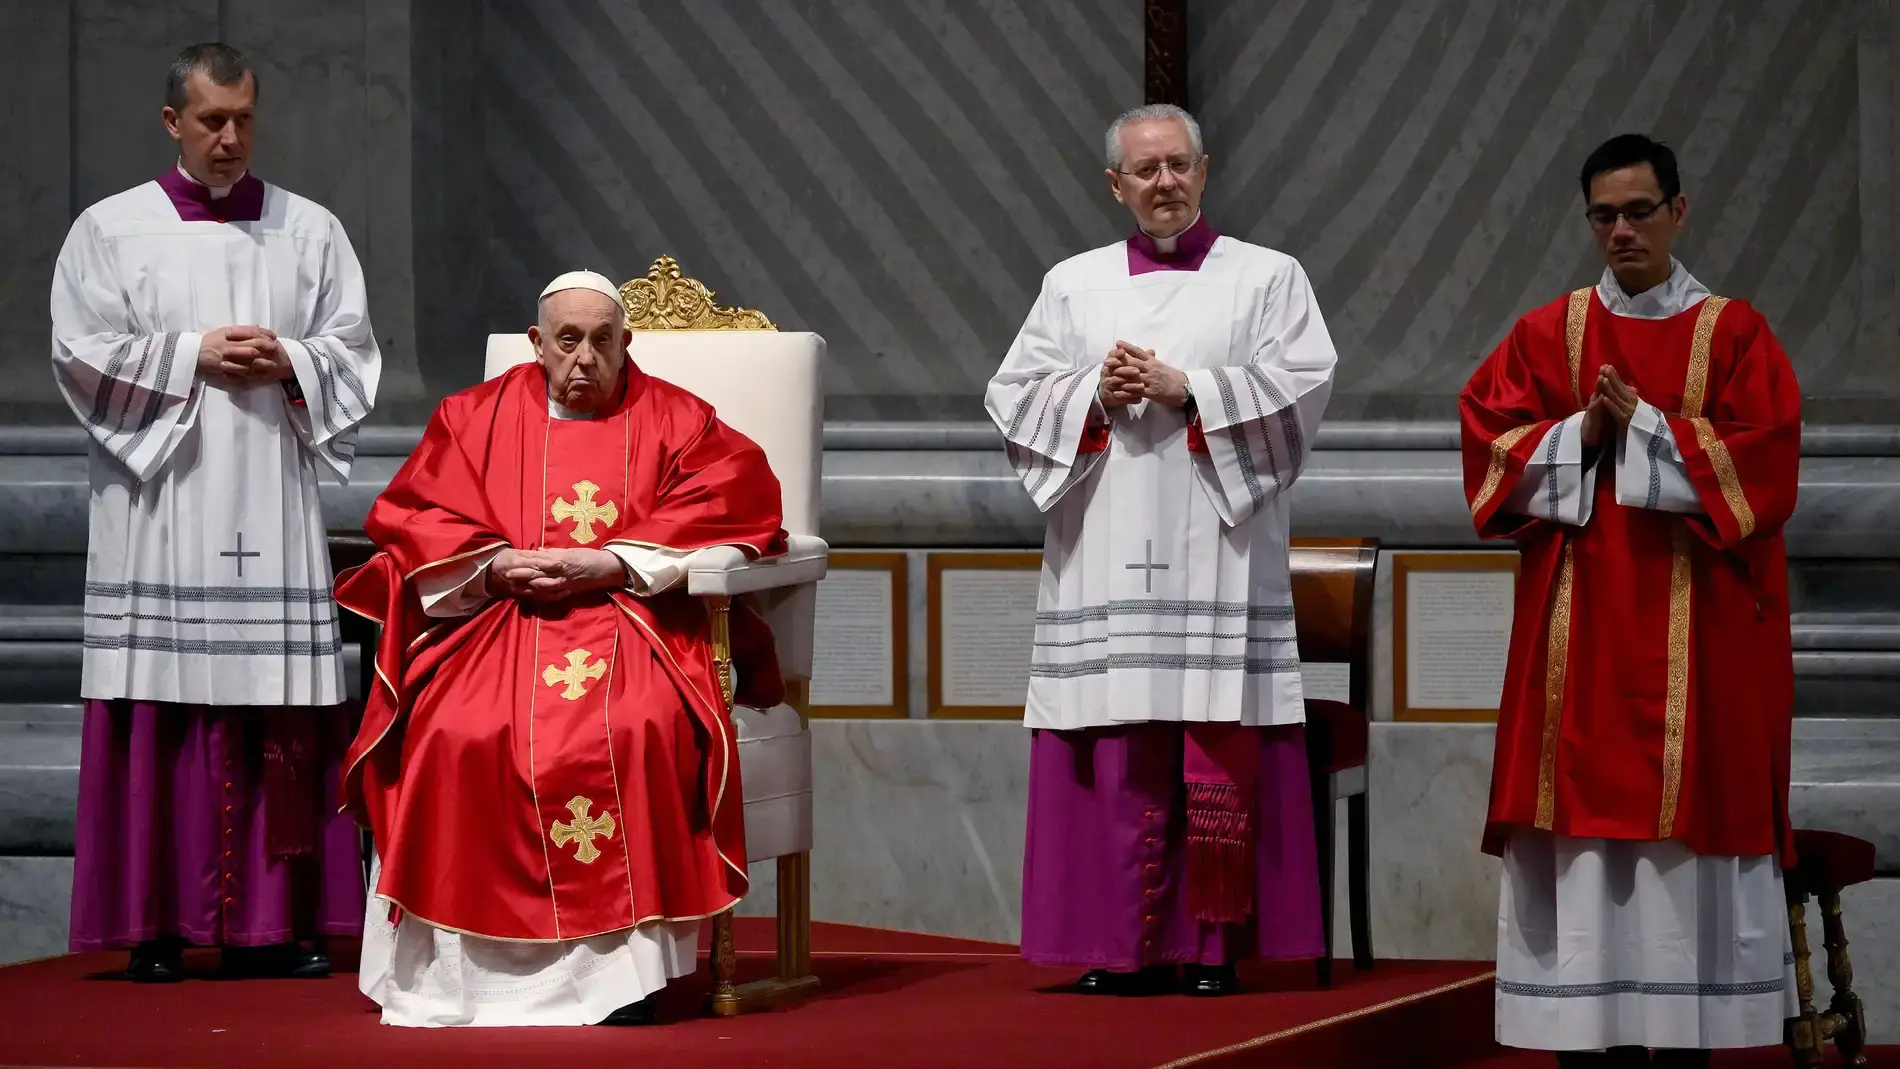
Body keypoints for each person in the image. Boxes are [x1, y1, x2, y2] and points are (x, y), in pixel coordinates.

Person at [337, 271, 787, 1027]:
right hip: (500, 619)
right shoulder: (472, 416)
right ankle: (468, 980)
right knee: (451, 731)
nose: (586, 358)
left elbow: (740, 491)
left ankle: (620, 980)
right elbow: (415, 513)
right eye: (568, 340)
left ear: (626, 343)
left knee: (638, 726)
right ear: (536, 344)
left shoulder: (676, 417)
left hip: (629, 619)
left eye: (603, 341)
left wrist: (613, 561)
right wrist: (495, 563)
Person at [1460, 134, 1802, 1067]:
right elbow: (1488, 454)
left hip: (1701, 638)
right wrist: (1586, 428)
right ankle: (1583, 1042)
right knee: (1581, 847)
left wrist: (1645, 427)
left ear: (1678, 211)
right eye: (1603, 215)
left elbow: (1766, 469)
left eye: (1638, 211)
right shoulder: (1545, 333)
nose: (1620, 231)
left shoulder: (1734, 334)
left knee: (1677, 857)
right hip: (1579, 647)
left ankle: (1678, 1040)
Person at [985, 104, 1336, 997]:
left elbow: (1301, 390)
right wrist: (1091, 395)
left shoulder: (1268, 278)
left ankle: (1213, 949)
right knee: (1117, 741)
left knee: (1211, 735)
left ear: (1205, 170)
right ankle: (1118, 945)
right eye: (1145, 171)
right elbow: (1013, 396)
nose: (1164, 183)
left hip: (1219, 547)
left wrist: (1192, 390)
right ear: (1116, 184)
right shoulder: (1073, 285)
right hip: (1105, 546)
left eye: (1178, 165)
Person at [52, 42, 378, 982]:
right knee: (166, 705)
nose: (232, 138)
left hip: (268, 500)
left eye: (244, 119)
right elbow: (79, 352)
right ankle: (157, 923)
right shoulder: (109, 232)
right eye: (211, 121)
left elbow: (351, 352)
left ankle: (283, 924)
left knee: (275, 706)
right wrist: (192, 352)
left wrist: (294, 362)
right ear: (172, 124)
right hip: (164, 499)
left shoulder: (309, 231)